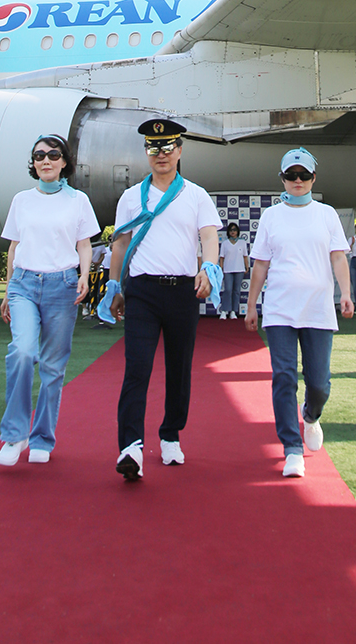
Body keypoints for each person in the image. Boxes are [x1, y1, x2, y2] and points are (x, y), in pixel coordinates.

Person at [104, 118, 221, 481]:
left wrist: (210, 269)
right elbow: (120, 243)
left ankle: (170, 434)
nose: (161, 155)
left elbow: (209, 236)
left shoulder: (196, 195)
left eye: (168, 148)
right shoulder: (130, 197)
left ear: (180, 151)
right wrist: (113, 285)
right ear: (146, 154)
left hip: (182, 292)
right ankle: (131, 447)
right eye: (154, 149)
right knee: (137, 368)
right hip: (142, 292)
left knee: (179, 368)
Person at [245, 148, 353, 479]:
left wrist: (346, 293)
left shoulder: (326, 214)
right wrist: (251, 305)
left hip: (318, 309)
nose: (297, 181)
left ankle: (311, 415)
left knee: (319, 382)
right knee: (284, 377)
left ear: (313, 178)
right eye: (291, 175)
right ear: (282, 179)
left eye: (303, 175)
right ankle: (292, 448)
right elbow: (260, 264)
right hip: (279, 309)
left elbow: (337, 257)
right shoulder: (271, 217)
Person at [0, 133, 98, 466]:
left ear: (64, 161)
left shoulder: (78, 201)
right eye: (39, 155)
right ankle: (15, 435)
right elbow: (14, 246)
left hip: (63, 285)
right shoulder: (21, 200)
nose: (46, 160)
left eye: (53, 155)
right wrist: (8, 289)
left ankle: (42, 437)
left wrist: (84, 277)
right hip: (24, 283)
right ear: (33, 162)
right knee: (23, 351)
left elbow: (84, 244)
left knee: (53, 367)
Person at [218, 222, 249, 319]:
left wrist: (247, 267)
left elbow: (245, 256)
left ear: (237, 231)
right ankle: (224, 311)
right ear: (228, 232)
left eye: (234, 230)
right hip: (228, 270)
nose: (233, 232)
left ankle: (233, 311)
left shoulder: (242, 242)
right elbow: (222, 257)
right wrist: (221, 268)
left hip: (239, 269)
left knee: (236, 291)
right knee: (228, 290)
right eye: (231, 230)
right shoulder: (225, 243)